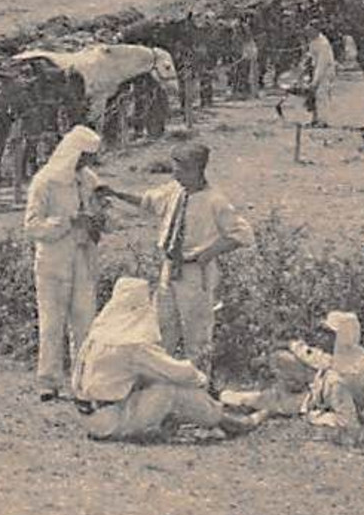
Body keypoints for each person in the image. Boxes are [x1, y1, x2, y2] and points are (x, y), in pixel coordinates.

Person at [100, 142, 253, 376]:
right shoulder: (174, 192)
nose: (175, 174)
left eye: (181, 169)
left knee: (197, 335)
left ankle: (201, 387)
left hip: (195, 274)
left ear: (196, 169)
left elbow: (242, 234)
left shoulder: (215, 200)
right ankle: (164, 382)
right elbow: (147, 202)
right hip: (169, 269)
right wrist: (115, 193)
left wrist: (208, 254)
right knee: (162, 330)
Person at [71, 277, 260, 442]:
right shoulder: (131, 344)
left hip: (89, 418)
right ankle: (229, 421)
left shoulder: (99, 335)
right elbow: (180, 373)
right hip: (111, 421)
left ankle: (210, 416)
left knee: (155, 382)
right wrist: (200, 379)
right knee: (170, 389)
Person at [23, 125, 106, 402]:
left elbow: (104, 213)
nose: (86, 163)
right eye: (84, 156)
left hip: (83, 258)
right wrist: (68, 222)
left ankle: (83, 381)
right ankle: (48, 381)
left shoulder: (88, 180)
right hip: (54, 261)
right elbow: (33, 226)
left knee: (85, 321)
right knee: (52, 322)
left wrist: (98, 220)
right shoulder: (45, 182)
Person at [219, 311, 364, 428]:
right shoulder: (353, 355)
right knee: (281, 365)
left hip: (321, 399)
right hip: (320, 389)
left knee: (280, 402)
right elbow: (315, 358)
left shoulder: (341, 378)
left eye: (329, 333)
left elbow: (348, 421)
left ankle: (243, 412)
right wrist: (291, 345)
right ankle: (232, 400)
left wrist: (316, 417)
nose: (324, 337)